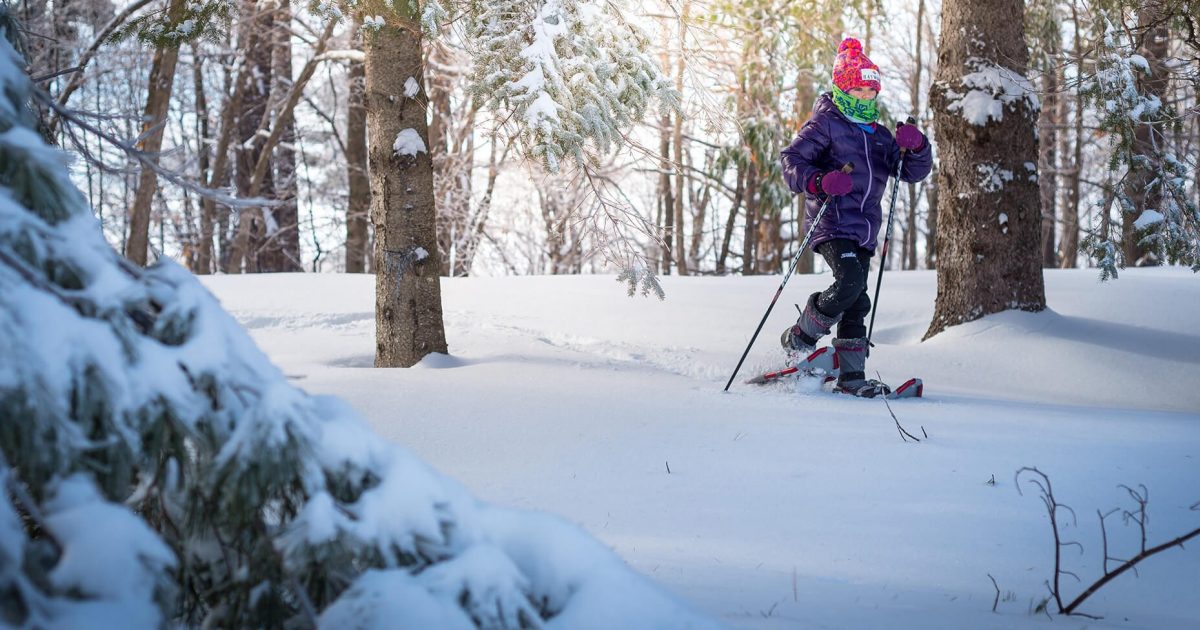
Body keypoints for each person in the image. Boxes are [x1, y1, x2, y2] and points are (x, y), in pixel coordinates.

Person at [778, 37, 933, 397]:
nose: (866, 96)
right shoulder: (825, 124)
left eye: (871, 90)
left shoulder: (879, 136)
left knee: (857, 300)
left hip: (864, 230)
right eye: (859, 89)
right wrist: (819, 181)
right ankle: (800, 335)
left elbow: (911, 171)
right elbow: (791, 163)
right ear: (843, 87)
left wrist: (918, 146)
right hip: (832, 222)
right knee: (849, 283)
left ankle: (851, 379)